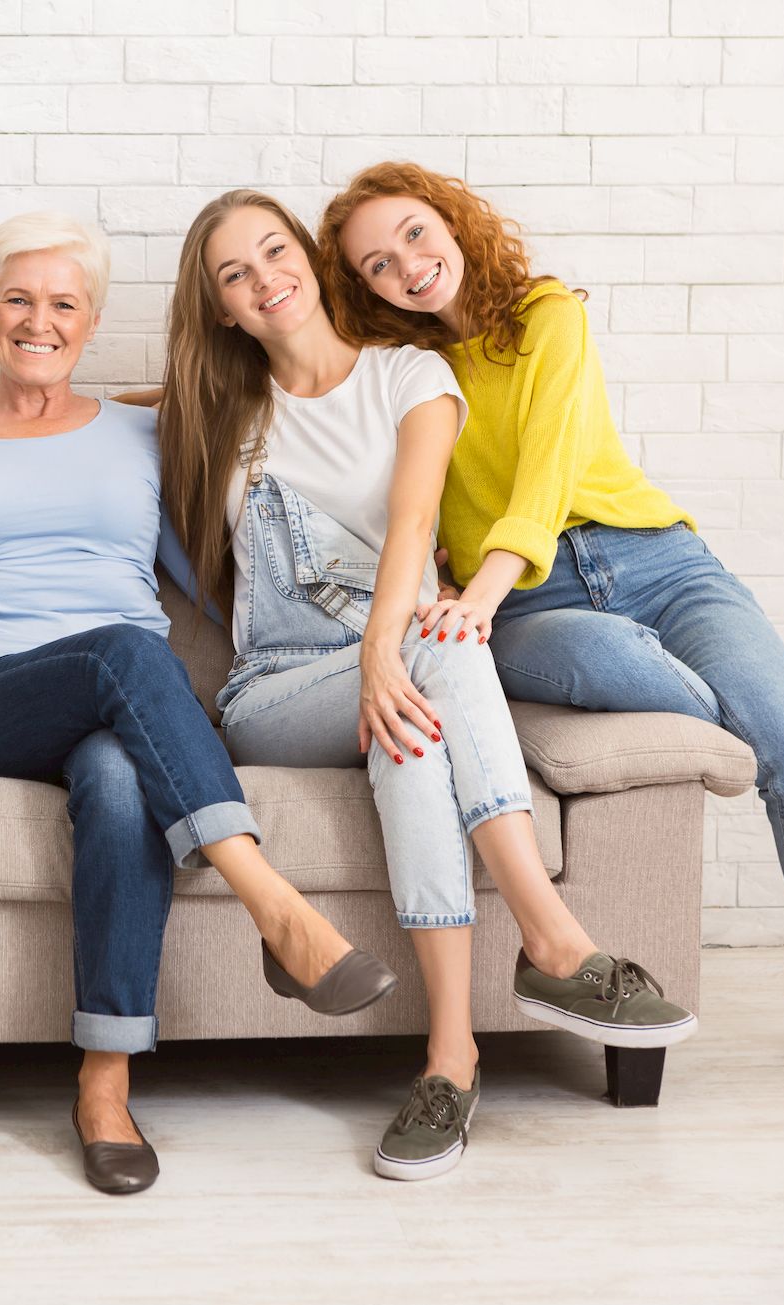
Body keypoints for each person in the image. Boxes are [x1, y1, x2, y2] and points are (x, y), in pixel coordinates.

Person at [322, 161, 784, 1101]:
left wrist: (476, 591)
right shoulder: (405, 374)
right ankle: (732, 728)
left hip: (654, 562)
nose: (403, 264)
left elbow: (549, 470)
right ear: (364, 293)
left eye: (410, 235)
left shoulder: (548, 313)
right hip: (532, 607)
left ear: (448, 223)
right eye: (373, 265)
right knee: (607, 660)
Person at [155, 189, 694, 1180]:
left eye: (272, 251)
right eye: (232, 275)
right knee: (432, 660)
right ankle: (552, 941)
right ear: (223, 310)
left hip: (390, 658)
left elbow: (411, 524)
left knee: (416, 714)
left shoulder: (411, 374)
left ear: (311, 265)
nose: (261, 277)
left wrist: (376, 654)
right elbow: (85, 412)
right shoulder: (218, 405)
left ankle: (448, 1061)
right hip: (274, 689)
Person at [0, 212, 399, 1197]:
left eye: (63, 303)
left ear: (93, 322)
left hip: (112, 711)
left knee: (118, 776)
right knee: (122, 648)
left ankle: (103, 1085)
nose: (39, 319)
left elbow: (217, 581)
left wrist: (384, 607)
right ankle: (273, 905)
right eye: (18, 299)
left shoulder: (141, 435)